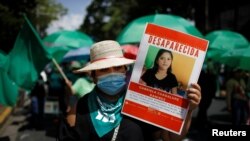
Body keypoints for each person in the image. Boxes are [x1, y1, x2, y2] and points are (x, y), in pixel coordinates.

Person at [60, 40, 201, 141]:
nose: (112, 73)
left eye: (117, 68)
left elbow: (170, 138)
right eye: (103, 70)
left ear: (125, 70)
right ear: (94, 76)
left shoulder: (140, 101)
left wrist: (188, 110)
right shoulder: (80, 108)